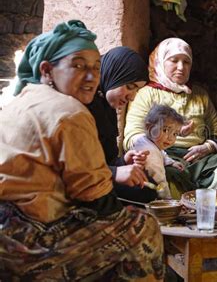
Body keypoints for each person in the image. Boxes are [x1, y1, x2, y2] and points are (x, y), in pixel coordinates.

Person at [0, 20, 164, 280]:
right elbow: (95, 197)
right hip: (25, 239)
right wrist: (117, 189)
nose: (90, 77)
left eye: (95, 68)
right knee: (141, 226)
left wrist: (118, 166)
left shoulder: (22, 100)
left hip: (11, 224)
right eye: (77, 66)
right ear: (47, 70)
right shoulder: (69, 112)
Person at [124, 37, 217, 199]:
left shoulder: (200, 95)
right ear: (160, 62)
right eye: (173, 61)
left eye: (186, 62)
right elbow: (133, 134)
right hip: (166, 157)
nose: (180, 67)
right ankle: (182, 217)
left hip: (202, 160)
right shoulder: (146, 94)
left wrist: (208, 147)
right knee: (166, 179)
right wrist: (157, 148)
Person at [87, 46, 157, 203]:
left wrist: (124, 161)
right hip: (82, 182)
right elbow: (74, 166)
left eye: (136, 90)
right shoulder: (82, 106)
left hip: (100, 176)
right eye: (130, 87)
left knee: (146, 187)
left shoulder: (106, 107)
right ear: (114, 75)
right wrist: (114, 173)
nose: (131, 97)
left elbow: (107, 158)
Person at [132, 104, 186, 199]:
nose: (170, 138)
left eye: (175, 134)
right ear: (149, 127)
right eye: (165, 130)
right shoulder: (149, 152)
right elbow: (159, 180)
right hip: (138, 191)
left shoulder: (148, 141)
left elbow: (162, 153)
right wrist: (168, 200)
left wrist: (171, 162)